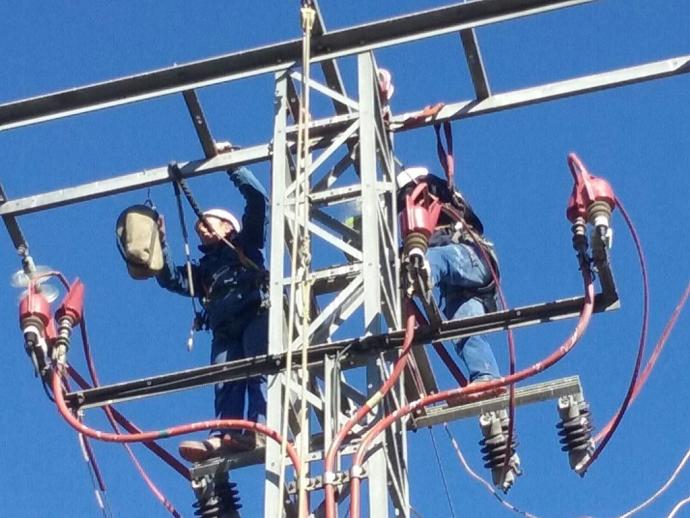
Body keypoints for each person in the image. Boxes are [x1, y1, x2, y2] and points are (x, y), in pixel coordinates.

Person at [156, 166, 269, 462]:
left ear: (229, 227)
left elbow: (258, 200)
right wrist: (159, 245)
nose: (201, 229)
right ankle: (225, 435)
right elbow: (170, 278)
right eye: (199, 229)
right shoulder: (204, 271)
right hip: (224, 328)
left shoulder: (247, 244)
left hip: (254, 312)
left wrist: (234, 168)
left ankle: (260, 428)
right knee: (224, 379)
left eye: (208, 224)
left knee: (259, 369)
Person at [398, 166, 501, 384]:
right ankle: (486, 378)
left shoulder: (436, 194)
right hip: (461, 287)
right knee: (465, 332)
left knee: (433, 258)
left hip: (469, 257)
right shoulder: (428, 213)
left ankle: (422, 275)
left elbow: (429, 188)